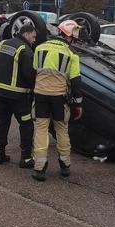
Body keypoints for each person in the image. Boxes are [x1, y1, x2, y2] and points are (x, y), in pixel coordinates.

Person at [31, 20, 83, 182]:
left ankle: (40, 168)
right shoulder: (71, 54)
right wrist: (78, 104)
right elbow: (76, 83)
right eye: (73, 38)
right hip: (59, 98)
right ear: (68, 35)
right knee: (61, 128)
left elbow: (33, 73)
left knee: (41, 128)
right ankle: (65, 165)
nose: (73, 41)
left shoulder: (39, 48)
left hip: (40, 95)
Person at [0, 23, 37, 168]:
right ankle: (26, 158)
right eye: (33, 36)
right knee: (26, 125)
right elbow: (29, 75)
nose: (34, 40)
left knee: (2, 123)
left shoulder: (3, 44)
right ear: (26, 34)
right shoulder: (25, 50)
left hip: (1, 93)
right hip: (19, 97)